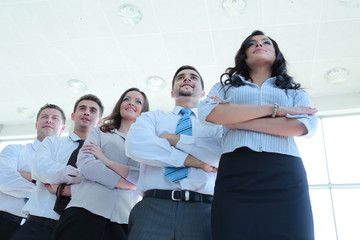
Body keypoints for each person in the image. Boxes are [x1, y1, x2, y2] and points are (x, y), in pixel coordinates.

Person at [198, 30, 318, 240]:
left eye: (266, 42)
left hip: (285, 175)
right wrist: (277, 111)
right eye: (251, 43)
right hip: (236, 173)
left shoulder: (294, 91)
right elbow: (209, 112)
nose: (258, 44)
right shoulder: (226, 87)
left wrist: (237, 120)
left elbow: (302, 125)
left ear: (276, 54)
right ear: (244, 54)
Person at [126, 65, 223, 240]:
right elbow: (135, 146)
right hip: (153, 208)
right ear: (172, 93)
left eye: (193, 77)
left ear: (203, 93)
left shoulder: (216, 124)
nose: (187, 79)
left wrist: (174, 139)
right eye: (181, 77)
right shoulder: (152, 118)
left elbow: (219, 154)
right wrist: (193, 161)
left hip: (203, 210)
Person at [53, 88, 149, 240]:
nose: (131, 102)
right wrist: (128, 183)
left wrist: (105, 160)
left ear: (143, 111)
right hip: (84, 210)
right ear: (120, 105)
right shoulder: (100, 132)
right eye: (126, 99)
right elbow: (87, 166)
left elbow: (144, 177)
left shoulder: (146, 144)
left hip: (122, 220)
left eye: (138, 101)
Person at [11, 94, 104, 240]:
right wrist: (82, 175)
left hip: (75, 231)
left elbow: (101, 187)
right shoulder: (52, 142)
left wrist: (61, 186)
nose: (87, 112)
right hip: (36, 226)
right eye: (82, 108)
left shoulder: (102, 154)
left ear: (100, 121)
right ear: (73, 115)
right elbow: (39, 168)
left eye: (93, 110)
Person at [0, 104, 65, 240]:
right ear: (36, 125)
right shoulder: (15, 150)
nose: (49, 120)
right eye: (44, 117)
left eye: (55, 118)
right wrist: (47, 187)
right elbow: (3, 179)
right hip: (4, 222)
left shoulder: (62, 164)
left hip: (39, 231)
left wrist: (30, 177)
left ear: (63, 128)